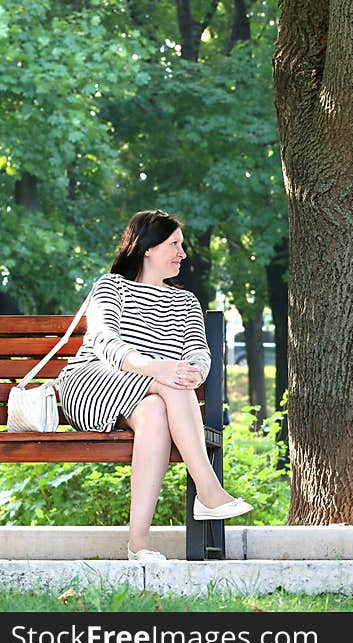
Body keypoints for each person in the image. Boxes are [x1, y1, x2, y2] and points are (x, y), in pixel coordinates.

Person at [57, 209, 253, 561]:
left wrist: (193, 371)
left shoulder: (185, 301)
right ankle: (208, 491)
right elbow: (104, 340)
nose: (183, 253)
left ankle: (139, 543)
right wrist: (155, 368)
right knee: (170, 387)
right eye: (174, 244)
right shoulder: (111, 286)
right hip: (92, 383)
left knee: (157, 410)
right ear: (148, 248)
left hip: (150, 395)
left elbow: (197, 351)